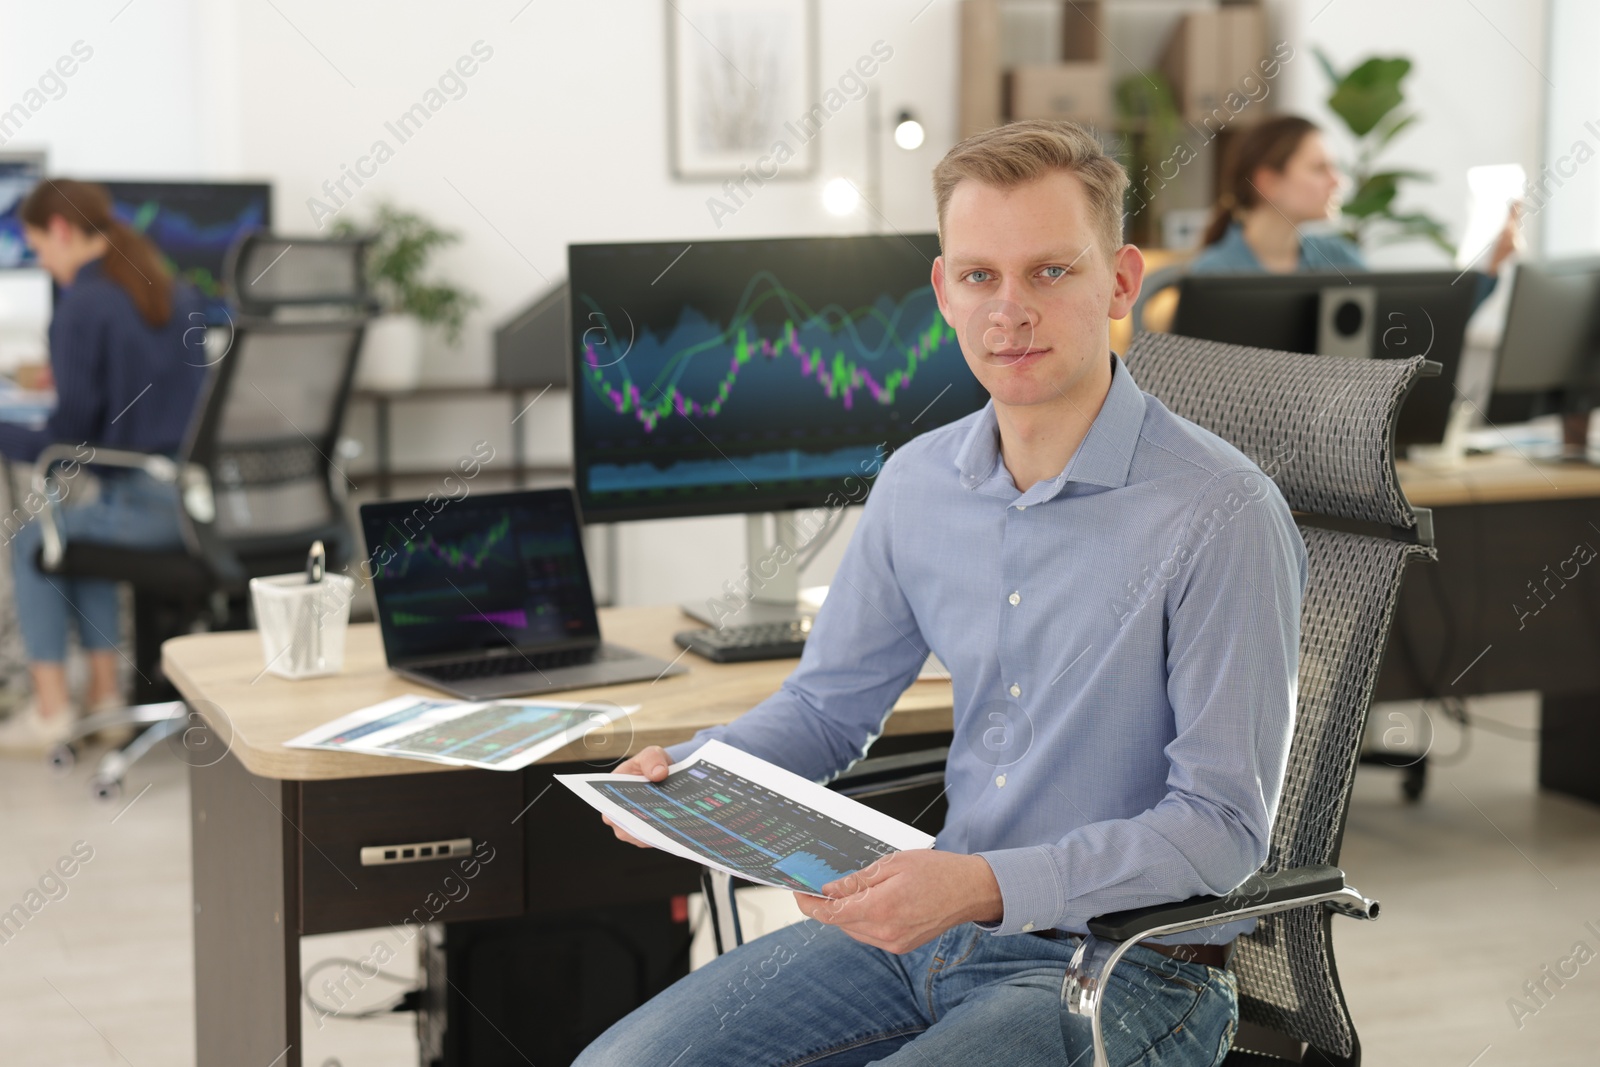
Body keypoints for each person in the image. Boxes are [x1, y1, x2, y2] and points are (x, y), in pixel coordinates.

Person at [574, 119, 1308, 1067]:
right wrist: (697, 774)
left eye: (1051, 271)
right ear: (943, 292)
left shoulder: (1221, 512)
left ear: (1121, 281)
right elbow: (826, 709)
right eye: (980, 277)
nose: (1011, 311)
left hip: (1128, 967)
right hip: (925, 939)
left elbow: (1221, 830)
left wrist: (978, 885)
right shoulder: (918, 482)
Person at [0, 179, 206, 754]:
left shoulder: (82, 307)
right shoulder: (171, 288)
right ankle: (106, 702)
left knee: (33, 540)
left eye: (39, 247)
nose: (42, 261)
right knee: (70, 526)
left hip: (151, 507)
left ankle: (50, 712)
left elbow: (63, 442)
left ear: (62, 232)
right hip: (196, 498)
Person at [1190, 114, 1518, 310]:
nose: (1338, 181)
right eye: (1320, 168)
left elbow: (1408, 332)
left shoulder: (1340, 259)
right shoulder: (1212, 277)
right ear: (1268, 183)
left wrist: (1487, 266)